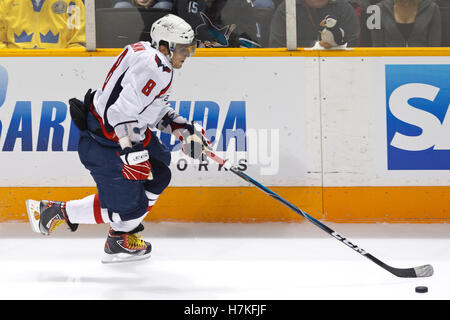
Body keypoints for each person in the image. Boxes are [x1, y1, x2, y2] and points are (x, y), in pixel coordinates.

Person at [25, 14, 210, 263]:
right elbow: (118, 112)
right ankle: (54, 212)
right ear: (165, 46)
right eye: (184, 49)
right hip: (104, 140)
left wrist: (183, 128)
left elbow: (147, 108)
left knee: (159, 174)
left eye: (191, 48)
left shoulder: (148, 53)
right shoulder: (154, 68)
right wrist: (130, 150)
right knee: (128, 209)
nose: (187, 54)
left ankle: (120, 237)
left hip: (117, 132)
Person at [269, 0, 360, 47]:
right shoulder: (287, 8)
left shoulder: (344, 8)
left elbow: (353, 44)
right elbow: (277, 46)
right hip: (295, 69)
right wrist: (316, 46)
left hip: (338, 67)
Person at [0, 0, 85, 49]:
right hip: (14, 69)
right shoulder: (4, 3)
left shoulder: (72, 3)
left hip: (59, 69)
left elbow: (78, 44)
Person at [370, 0, 442, 46]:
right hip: (390, 66)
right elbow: (377, 48)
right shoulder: (378, 9)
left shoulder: (432, 9)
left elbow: (435, 48)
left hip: (422, 66)